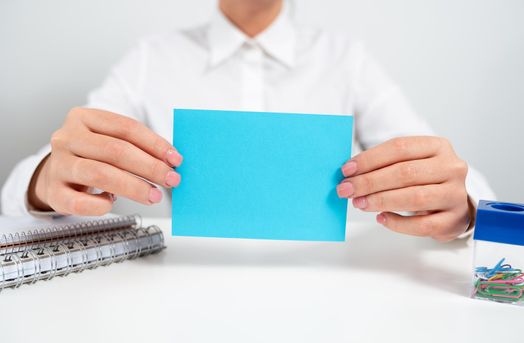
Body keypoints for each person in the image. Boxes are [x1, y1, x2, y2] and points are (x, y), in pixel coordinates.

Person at [1, 0, 494, 241]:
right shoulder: (149, 59)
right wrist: (46, 179)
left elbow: (462, 184)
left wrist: (465, 206)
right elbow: (16, 203)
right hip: (176, 300)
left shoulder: (347, 59)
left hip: (328, 303)